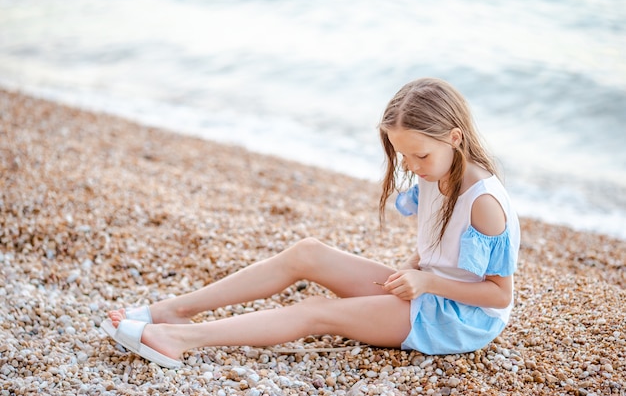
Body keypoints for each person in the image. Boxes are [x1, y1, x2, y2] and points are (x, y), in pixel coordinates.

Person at [102, 77, 520, 368]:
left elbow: (499, 296)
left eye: (419, 156)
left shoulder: (483, 203)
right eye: (403, 156)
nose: (411, 166)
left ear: (454, 137)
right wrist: (415, 269)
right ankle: (172, 311)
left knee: (317, 311)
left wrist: (426, 282)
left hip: (461, 319)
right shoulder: (434, 170)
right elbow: (439, 248)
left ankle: (179, 340)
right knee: (308, 253)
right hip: (427, 289)